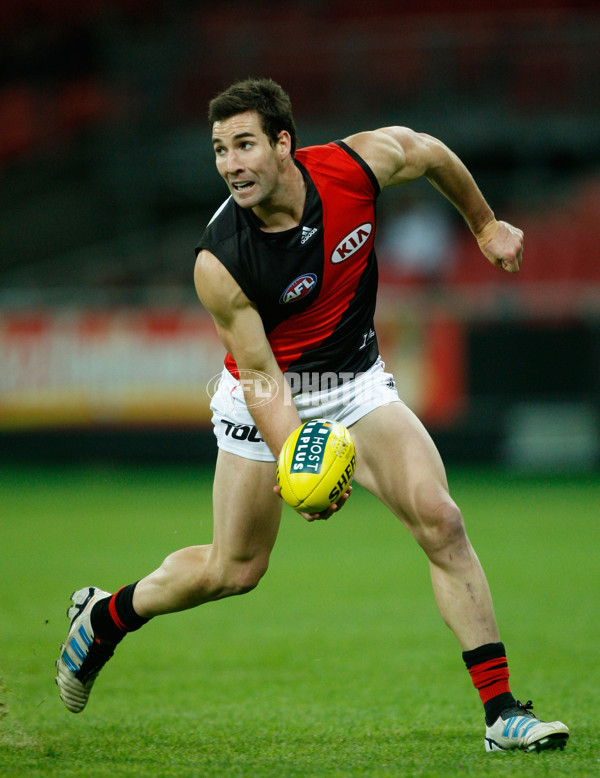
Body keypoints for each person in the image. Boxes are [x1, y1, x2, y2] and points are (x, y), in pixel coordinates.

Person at [56, 78, 569, 753]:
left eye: (245, 144)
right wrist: (302, 461)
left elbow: (431, 151)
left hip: (353, 382)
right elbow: (263, 376)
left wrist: (485, 225)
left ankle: (502, 714)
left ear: (283, 144)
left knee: (441, 520)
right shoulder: (220, 260)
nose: (232, 163)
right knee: (233, 570)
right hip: (262, 398)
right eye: (219, 150)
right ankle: (107, 616)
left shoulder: (354, 169)